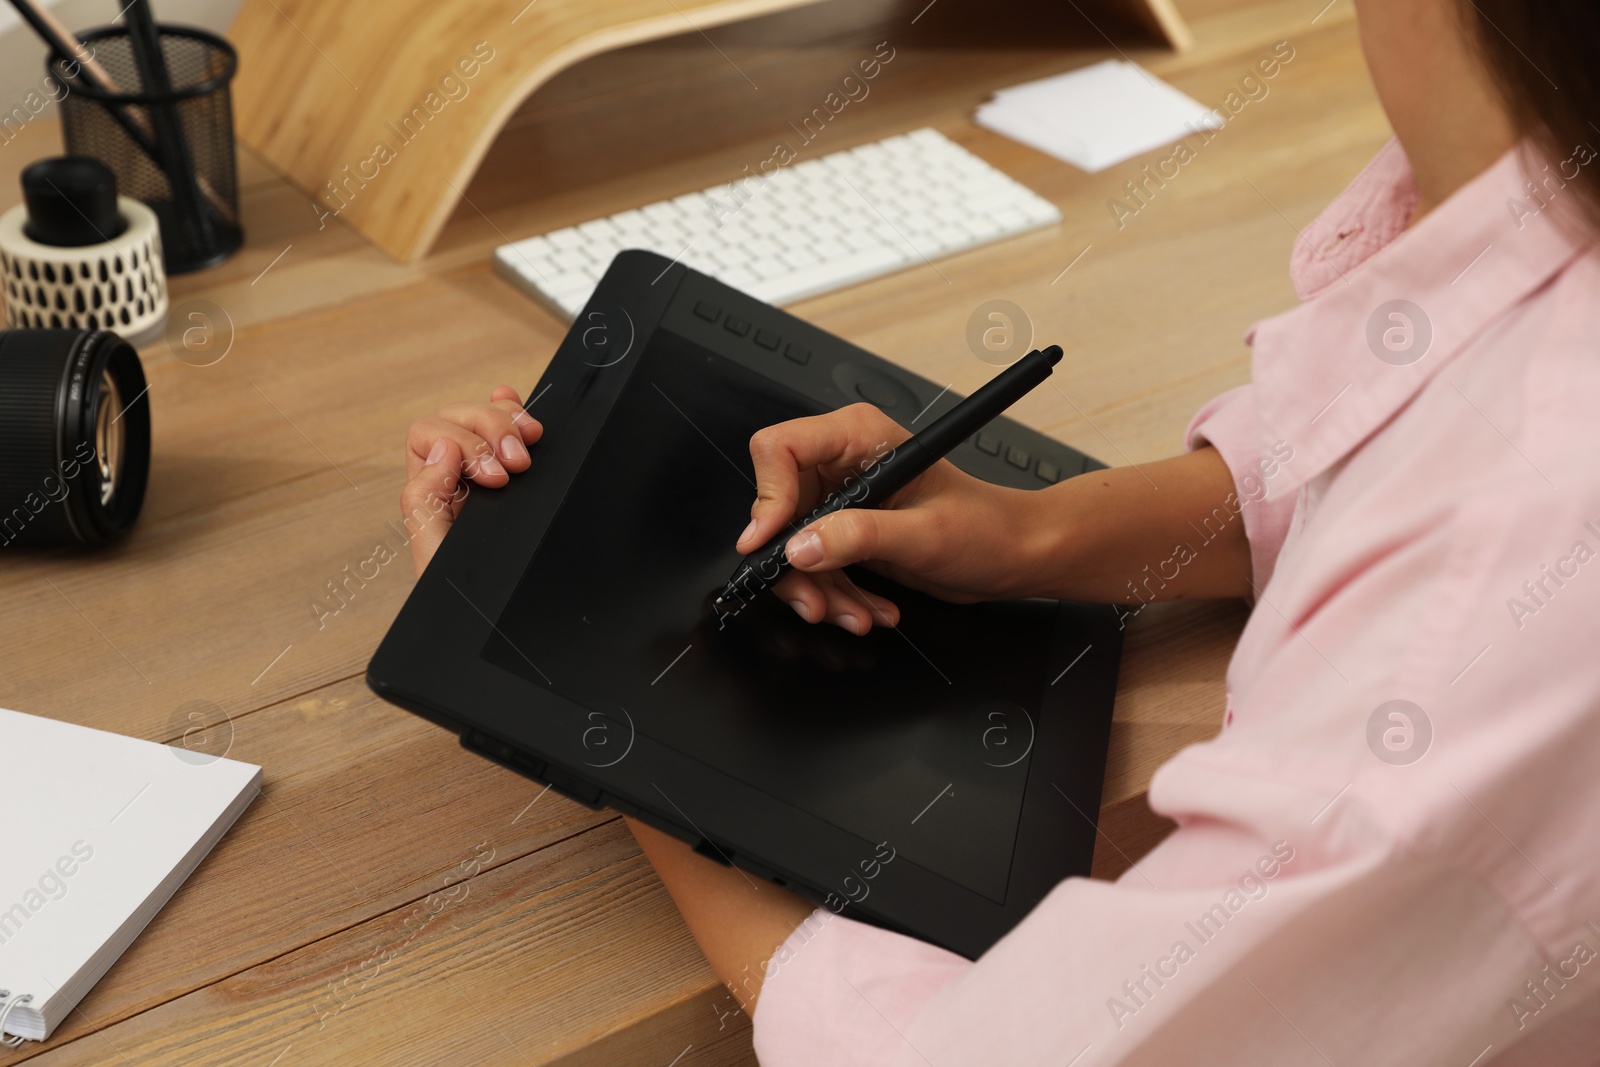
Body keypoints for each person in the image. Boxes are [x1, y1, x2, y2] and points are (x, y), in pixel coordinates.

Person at [398, 0, 1600, 1060]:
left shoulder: (1510, 574)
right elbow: (1363, 442)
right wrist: (1032, 533)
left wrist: (582, 713)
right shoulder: (1536, 192)